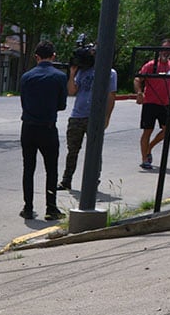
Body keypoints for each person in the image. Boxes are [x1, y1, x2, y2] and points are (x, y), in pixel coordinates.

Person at [18, 40, 68, 221]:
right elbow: (62, 105)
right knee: (51, 169)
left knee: (28, 169)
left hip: (28, 128)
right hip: (48, 128)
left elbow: (24, 103)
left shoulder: (26, 77)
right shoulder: (60, 76)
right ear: (53, 56)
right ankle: (51, 207)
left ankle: (28, 207)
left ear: (36, 57)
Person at [59, 47, 116, 191]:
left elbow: (111, 96)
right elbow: (72, 91)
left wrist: (107, 117)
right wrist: (72, 74)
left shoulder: (110, 73)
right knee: (72, 150)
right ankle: (66, 180)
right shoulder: (83, 71)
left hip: (95, 117)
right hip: (78, 115)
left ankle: (93, 180)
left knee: (94, 151)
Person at [134, 40, 170, 170]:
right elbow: (137, 79)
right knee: (148, 130)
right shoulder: (151, 65)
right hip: (150, 102)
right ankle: (145, 159)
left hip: (166, 103)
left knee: (167, 130)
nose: (166, 52)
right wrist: (139, 93)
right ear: (159, 50)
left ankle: (149, 148)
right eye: (164, 49)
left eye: (169, 50)